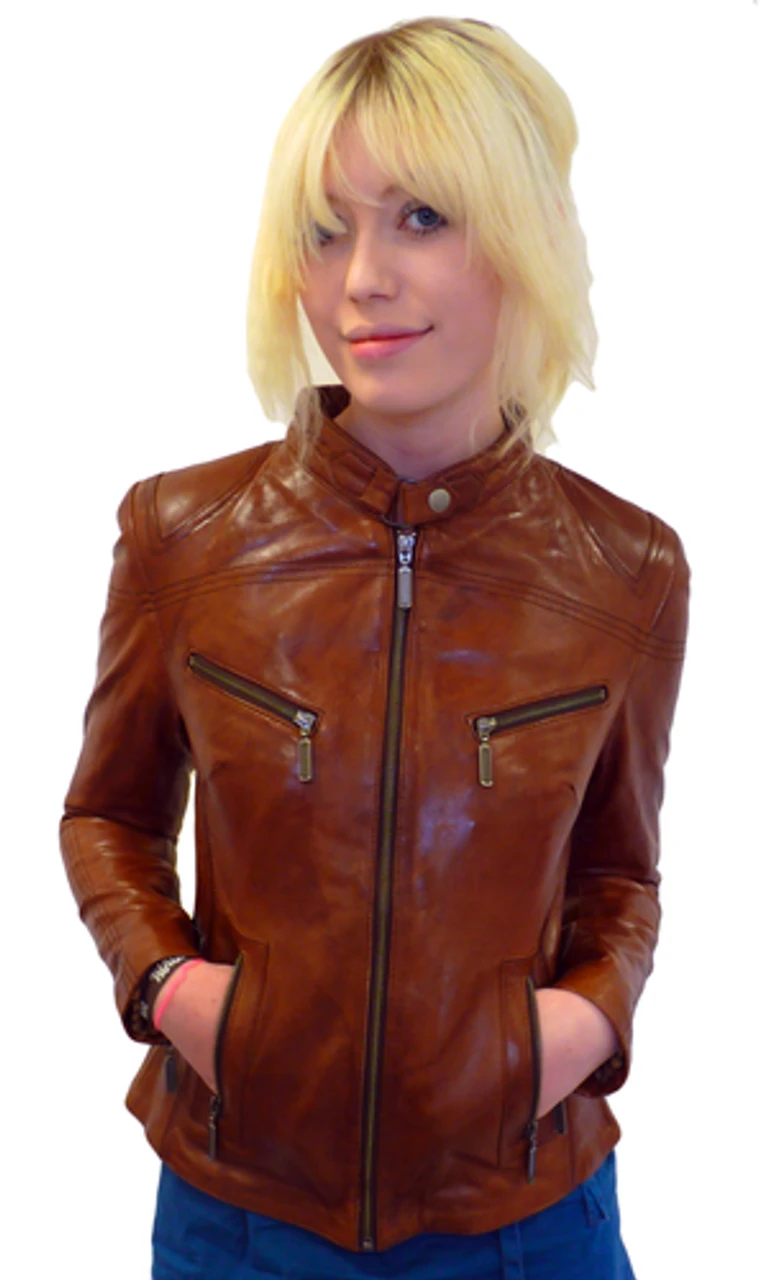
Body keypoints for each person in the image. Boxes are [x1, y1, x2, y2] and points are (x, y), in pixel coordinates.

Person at [60, 16, 689, 1280]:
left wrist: (582, 1021)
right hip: (240, 1211)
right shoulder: (184, 536)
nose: (361, 280)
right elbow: (109, 815)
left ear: (523, 235)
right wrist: (172, 989)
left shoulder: (625, 569)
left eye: (422, 218)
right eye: (323, 228)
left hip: (528, 1215)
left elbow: (619, 869)